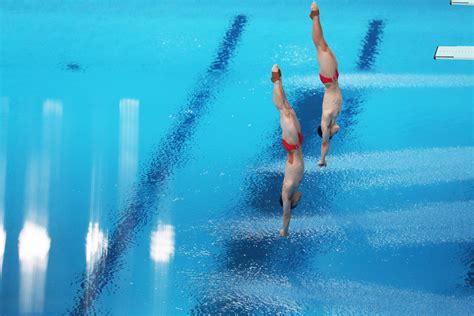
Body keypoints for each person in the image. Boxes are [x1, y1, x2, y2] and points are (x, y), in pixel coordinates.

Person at [271, 64, 304, 237]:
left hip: (291, 146)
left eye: (297, 203)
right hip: (297, 143)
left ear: (292, 203)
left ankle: (275, 83)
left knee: (283, 111)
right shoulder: (295, 186)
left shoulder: (287, 193)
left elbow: (286, 214)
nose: (300, 199)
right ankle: (280, 82)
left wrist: (285, 229)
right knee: (289, 109)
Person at [310, 1, 343, 167]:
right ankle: (315, 18)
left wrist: (322, 159)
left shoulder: (326, 121)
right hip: (334, 77)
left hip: (329, 79)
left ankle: (315, 17)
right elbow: (335, 130)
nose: (334, 132)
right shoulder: (334, 121)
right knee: (323, 46)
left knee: (320, 46)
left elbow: (324, 143)